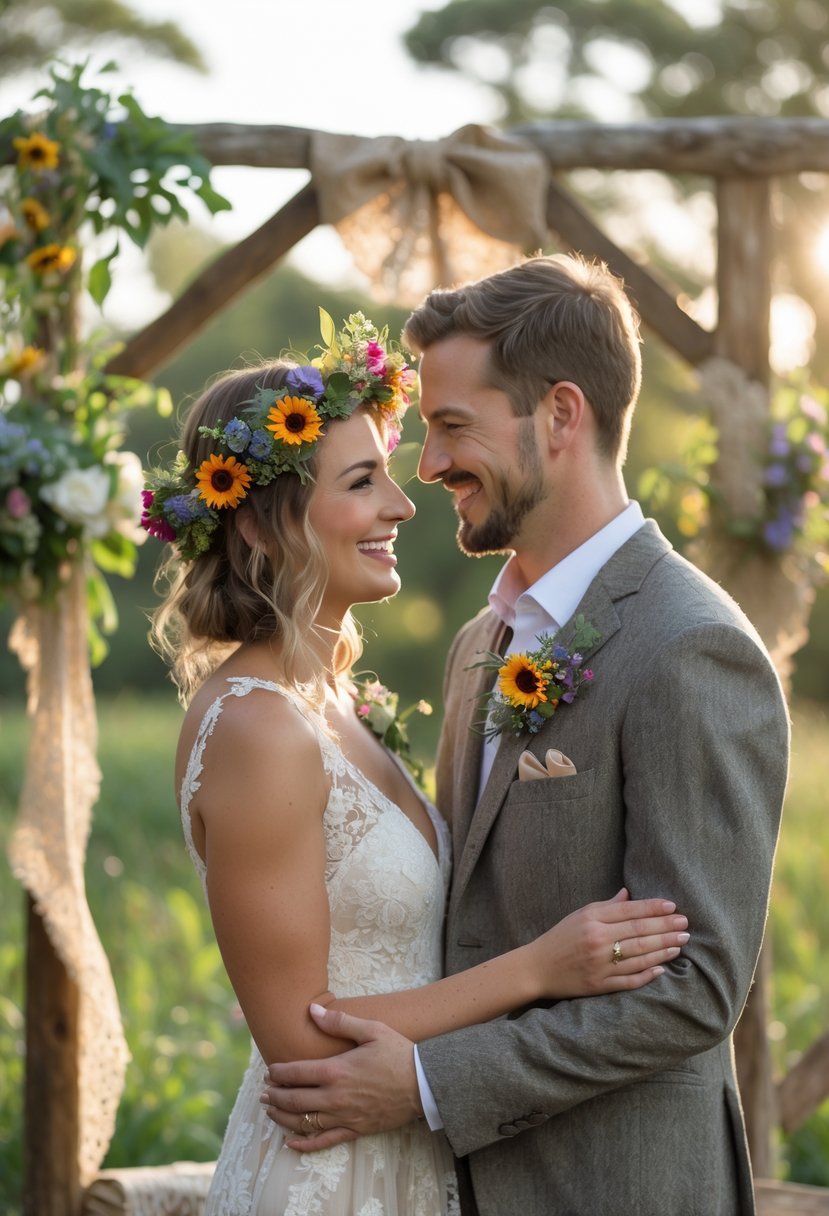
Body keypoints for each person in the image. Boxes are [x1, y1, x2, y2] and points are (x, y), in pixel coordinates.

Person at [259, 261, 791, 1216]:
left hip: (612, 1188)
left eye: (452, 426)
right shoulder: (480, 644)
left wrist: (428, 1083)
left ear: (559, 415)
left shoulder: (691, 646)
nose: (427, 466)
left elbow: (692, 988)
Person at [143, 310, 689, 1216]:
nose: (402, 505)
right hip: (330, 1173)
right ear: (264, 528)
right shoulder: (258, 728)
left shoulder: (341, 705)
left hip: (410, 1155)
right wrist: (539, 970)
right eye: (362, 482)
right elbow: (301, 1048)